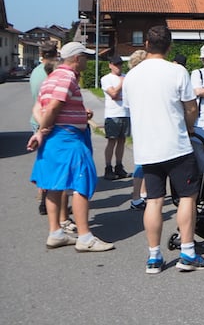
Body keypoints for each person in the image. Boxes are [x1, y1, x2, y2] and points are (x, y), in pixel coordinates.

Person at [122, 26, 204, 273]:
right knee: (187, 197)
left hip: (146, 148)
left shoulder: (131, 76)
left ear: (147, 45)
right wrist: (190, 126)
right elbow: (191, 108)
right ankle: (188, 253)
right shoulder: (177, 72)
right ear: (169, 46)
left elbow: (130, 108)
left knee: (153, 200)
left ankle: (154, 257)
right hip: (176, 144)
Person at [28, 41, 115, 252]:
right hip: (68, 138)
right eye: (85, 56)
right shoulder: (67, 77)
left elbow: (39, 107)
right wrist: (44, 128)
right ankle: (85, 237)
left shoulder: (52, 77)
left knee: (54, 185)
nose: (87, 60)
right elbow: (55, 105)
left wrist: (42, 130)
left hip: (55, 138)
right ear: (77, 58)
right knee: (80, 183)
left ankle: (55, 232)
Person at [29, 41, 65, 217]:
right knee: (54, 165)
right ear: (56, 53)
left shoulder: (35, 71)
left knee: (43, 160)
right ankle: (49, 203)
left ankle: (42, 195)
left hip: (36, 119)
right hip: (49, 120)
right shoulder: (52, 72)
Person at [101, 55, 130, 180]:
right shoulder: (106, 79)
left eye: (120, 65)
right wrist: (121, 85)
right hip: (113, 114)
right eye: (116, 65)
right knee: (112, 141)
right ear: (110, 65)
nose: (118, 67)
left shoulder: (126, 77)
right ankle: (108, 167)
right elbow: (113, 94)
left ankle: (119, 165)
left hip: (125, 113)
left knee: (122, 141)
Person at [126, 50, 148, 210]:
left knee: (145, 161)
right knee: (142, 162)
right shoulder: (139, 79)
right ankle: (136, 196)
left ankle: (143, 193)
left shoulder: (130, 78)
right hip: (146, 123)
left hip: (138, 123)